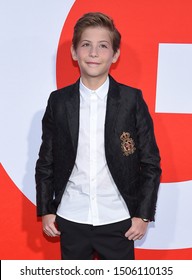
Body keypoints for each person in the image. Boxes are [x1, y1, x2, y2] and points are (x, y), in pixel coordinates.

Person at [35, 12, 161, 260]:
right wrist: (46, 210)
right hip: (71, 217)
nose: (94, 53)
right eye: (86, 45)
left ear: (115, 55)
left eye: (103, 46)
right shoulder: (58, 102)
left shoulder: (131, 100)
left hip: (118, 219)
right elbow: (45, 160)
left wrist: (143, 215)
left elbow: (150, 162)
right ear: (74, 52)